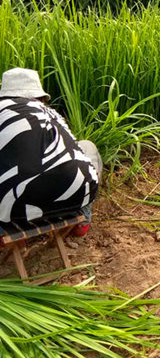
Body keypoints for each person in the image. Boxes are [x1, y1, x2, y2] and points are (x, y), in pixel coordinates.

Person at [0, 68, 101, 236]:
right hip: (74, 196)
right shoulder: (50, 113)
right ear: (39, 97)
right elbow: (72, 148)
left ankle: (14, 234)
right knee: (87, 146)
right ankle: (83, 219)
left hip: (14, 208)